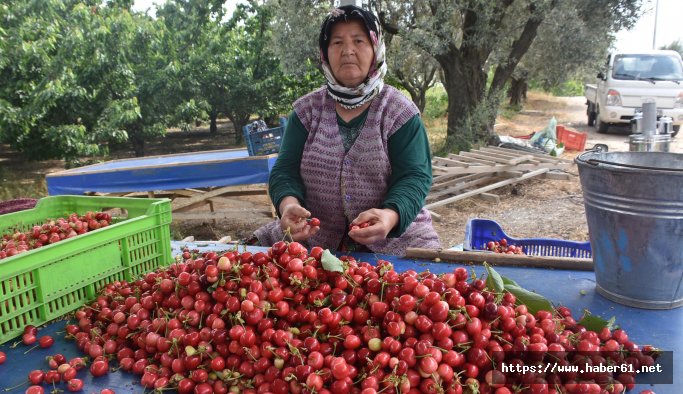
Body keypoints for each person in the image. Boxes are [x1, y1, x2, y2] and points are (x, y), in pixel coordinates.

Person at [251, 4, 440, 256]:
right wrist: (288, 205)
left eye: (359, 41)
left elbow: (414, 177)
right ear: (325, 53)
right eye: (337, 42)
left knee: (426, 282)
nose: (348, 51)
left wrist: (390, 215)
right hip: (312, 238)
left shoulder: (399, 113)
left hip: (395, 238)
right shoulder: (306, 112)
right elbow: (285, 171)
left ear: (375, 48)